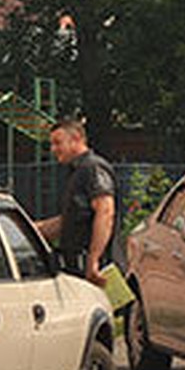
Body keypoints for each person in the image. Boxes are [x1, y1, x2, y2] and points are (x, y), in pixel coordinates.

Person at [36, 118, 119, 287]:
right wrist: (30, 231)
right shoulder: (77, 172)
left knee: (106, 312)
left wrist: (94, 260)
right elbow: (72, 220)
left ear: (76, 140)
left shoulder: (92, 168)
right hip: (78, 269)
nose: (53, 149)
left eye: (57, 143)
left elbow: (105, 212)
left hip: (96, 271)